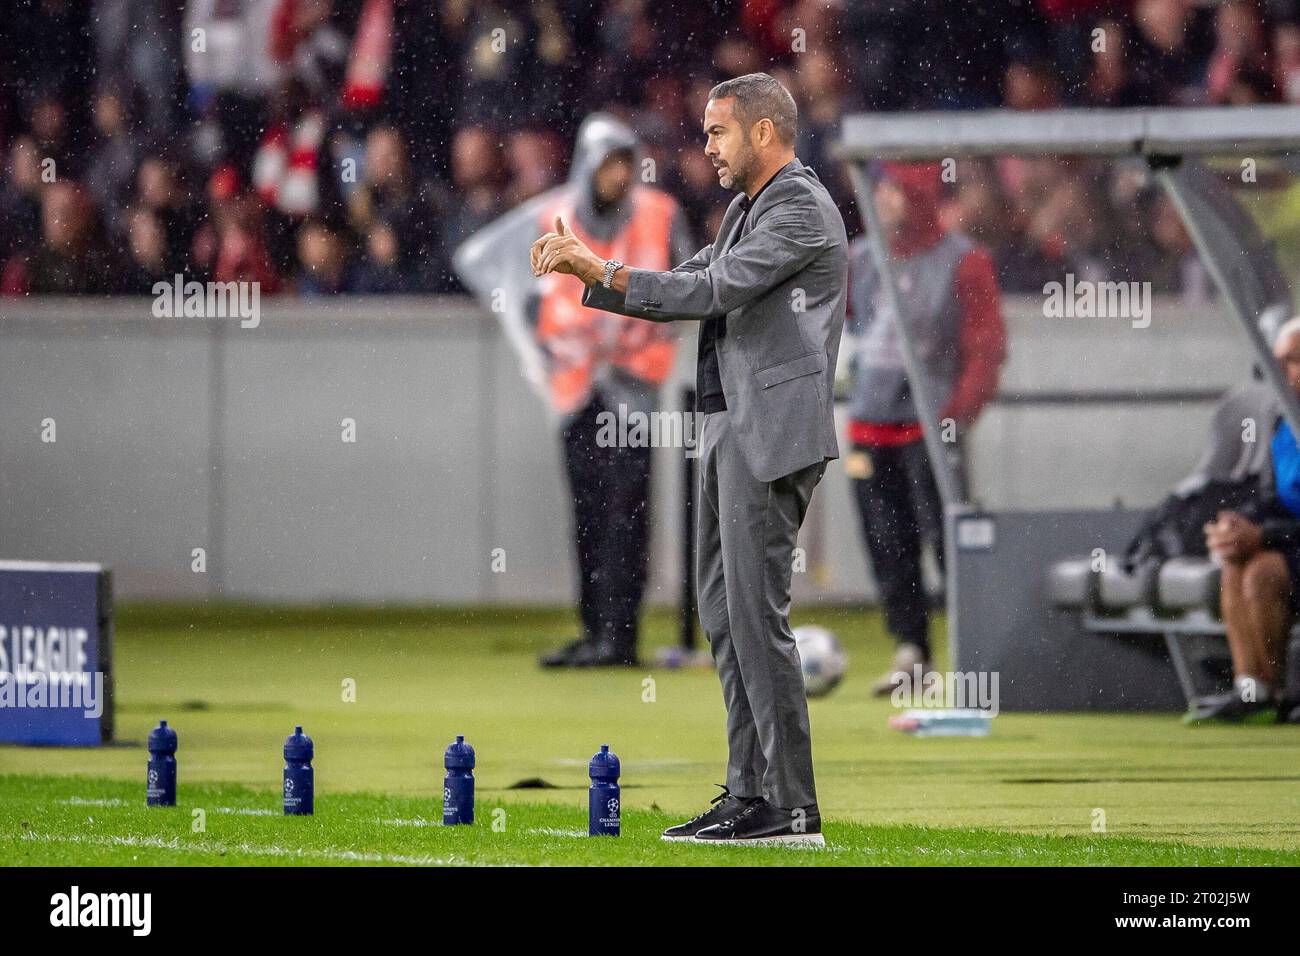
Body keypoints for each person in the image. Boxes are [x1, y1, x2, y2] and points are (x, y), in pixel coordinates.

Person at [532, 73, 846, 845]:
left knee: (753, 615)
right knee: (721, 615)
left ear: (765, 133)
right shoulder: (749, 208)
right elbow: (689, 281)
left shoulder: (799, 206)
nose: (706, 147)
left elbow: (712, 289)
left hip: (766, 433)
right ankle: (748, 792)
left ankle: (792, 804)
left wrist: (599, 274)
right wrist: (596, 270)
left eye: (718, 132)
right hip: (727, 427)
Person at [455, 114, 692, 668]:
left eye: (626, 165)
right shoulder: (552, 217)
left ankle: (621, 636)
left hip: (635, 386)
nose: (619, 177)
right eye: (610, 165)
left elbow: (689, 285)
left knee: (627, 512)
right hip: (577, 388)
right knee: (587, 513)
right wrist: (529, 346)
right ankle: (595, 631)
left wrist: (652, 330)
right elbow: (484, 265)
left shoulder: (659, 215)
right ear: (588, 167)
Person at [844, 162, 1006, 697]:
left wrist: (955, 415)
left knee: (945, 541)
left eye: (892, 191)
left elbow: (986, 350)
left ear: (916, 196)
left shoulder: (963, 262)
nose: (882, 201)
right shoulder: (861, 260)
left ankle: (971, 654)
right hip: (869, 424)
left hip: (928, 427)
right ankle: (910, 649)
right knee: (886, 542)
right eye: (879, 192)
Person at [1198, 317, 1300, 723]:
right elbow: (1272, 498)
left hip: (1292, 543)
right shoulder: (1282, 421)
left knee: (1262, 574)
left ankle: (1276, 692)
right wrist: (1238, 526)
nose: (1282, 374)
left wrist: (1264, 534)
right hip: (1290, 538)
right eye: (1277, 363)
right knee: (1235, 562)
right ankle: (1251, 688)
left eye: (1293, 361)